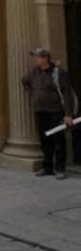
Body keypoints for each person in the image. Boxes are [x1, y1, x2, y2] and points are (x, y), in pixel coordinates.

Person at [22, 48, 75, 180]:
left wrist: (68, 114)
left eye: (37, 57)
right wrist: (33, 94)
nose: (35, 59)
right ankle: (47, 167)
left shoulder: (58, 72)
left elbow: (67, 93)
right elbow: (24, 81)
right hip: (40, 111)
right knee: (45, 140)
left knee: (58, 140)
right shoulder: (34, 71)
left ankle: (60, 168)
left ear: (45, 58)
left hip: (56, 111)